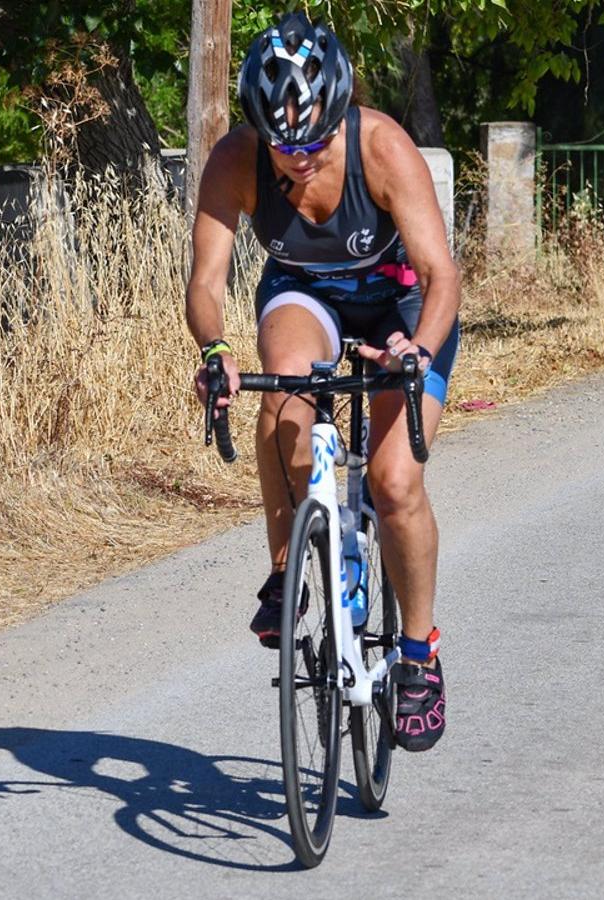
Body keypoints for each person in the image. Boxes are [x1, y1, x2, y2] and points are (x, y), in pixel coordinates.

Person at [185, 11, 460, 753]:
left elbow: (442, 276)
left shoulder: (382, 147)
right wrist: (216, 350)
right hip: (306, 294)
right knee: (282, 403)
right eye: (284, 145)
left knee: (395, 482)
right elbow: (205, 283)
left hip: (403, 306)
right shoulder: (237, 160)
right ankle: (286, 574)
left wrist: (418, 350)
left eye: (313, 142)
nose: (299, 159)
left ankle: (418, 653)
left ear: (340, 112)